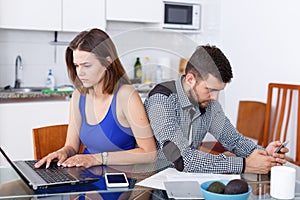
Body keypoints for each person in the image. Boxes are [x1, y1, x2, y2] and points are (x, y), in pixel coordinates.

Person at [144, 45, 288, 174]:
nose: (215, 98)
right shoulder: (161, 100)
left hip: (186, 180)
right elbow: (182, 159)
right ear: (190, 79)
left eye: (219, 91)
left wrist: (264, 153)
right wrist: (244, 165)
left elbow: (235, 141)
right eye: (210, 89)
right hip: (151, 182)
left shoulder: (210, 105)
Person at [35, 28, 157, 169]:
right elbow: (71, 146)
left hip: (118, 179)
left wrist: (96, 159)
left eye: (87, 65)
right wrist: (62, 152)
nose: (80, 73)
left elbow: (149, 153)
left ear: (107, 63)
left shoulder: (126, 96)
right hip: (85, 175)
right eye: (76, 66)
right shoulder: (78, 95)